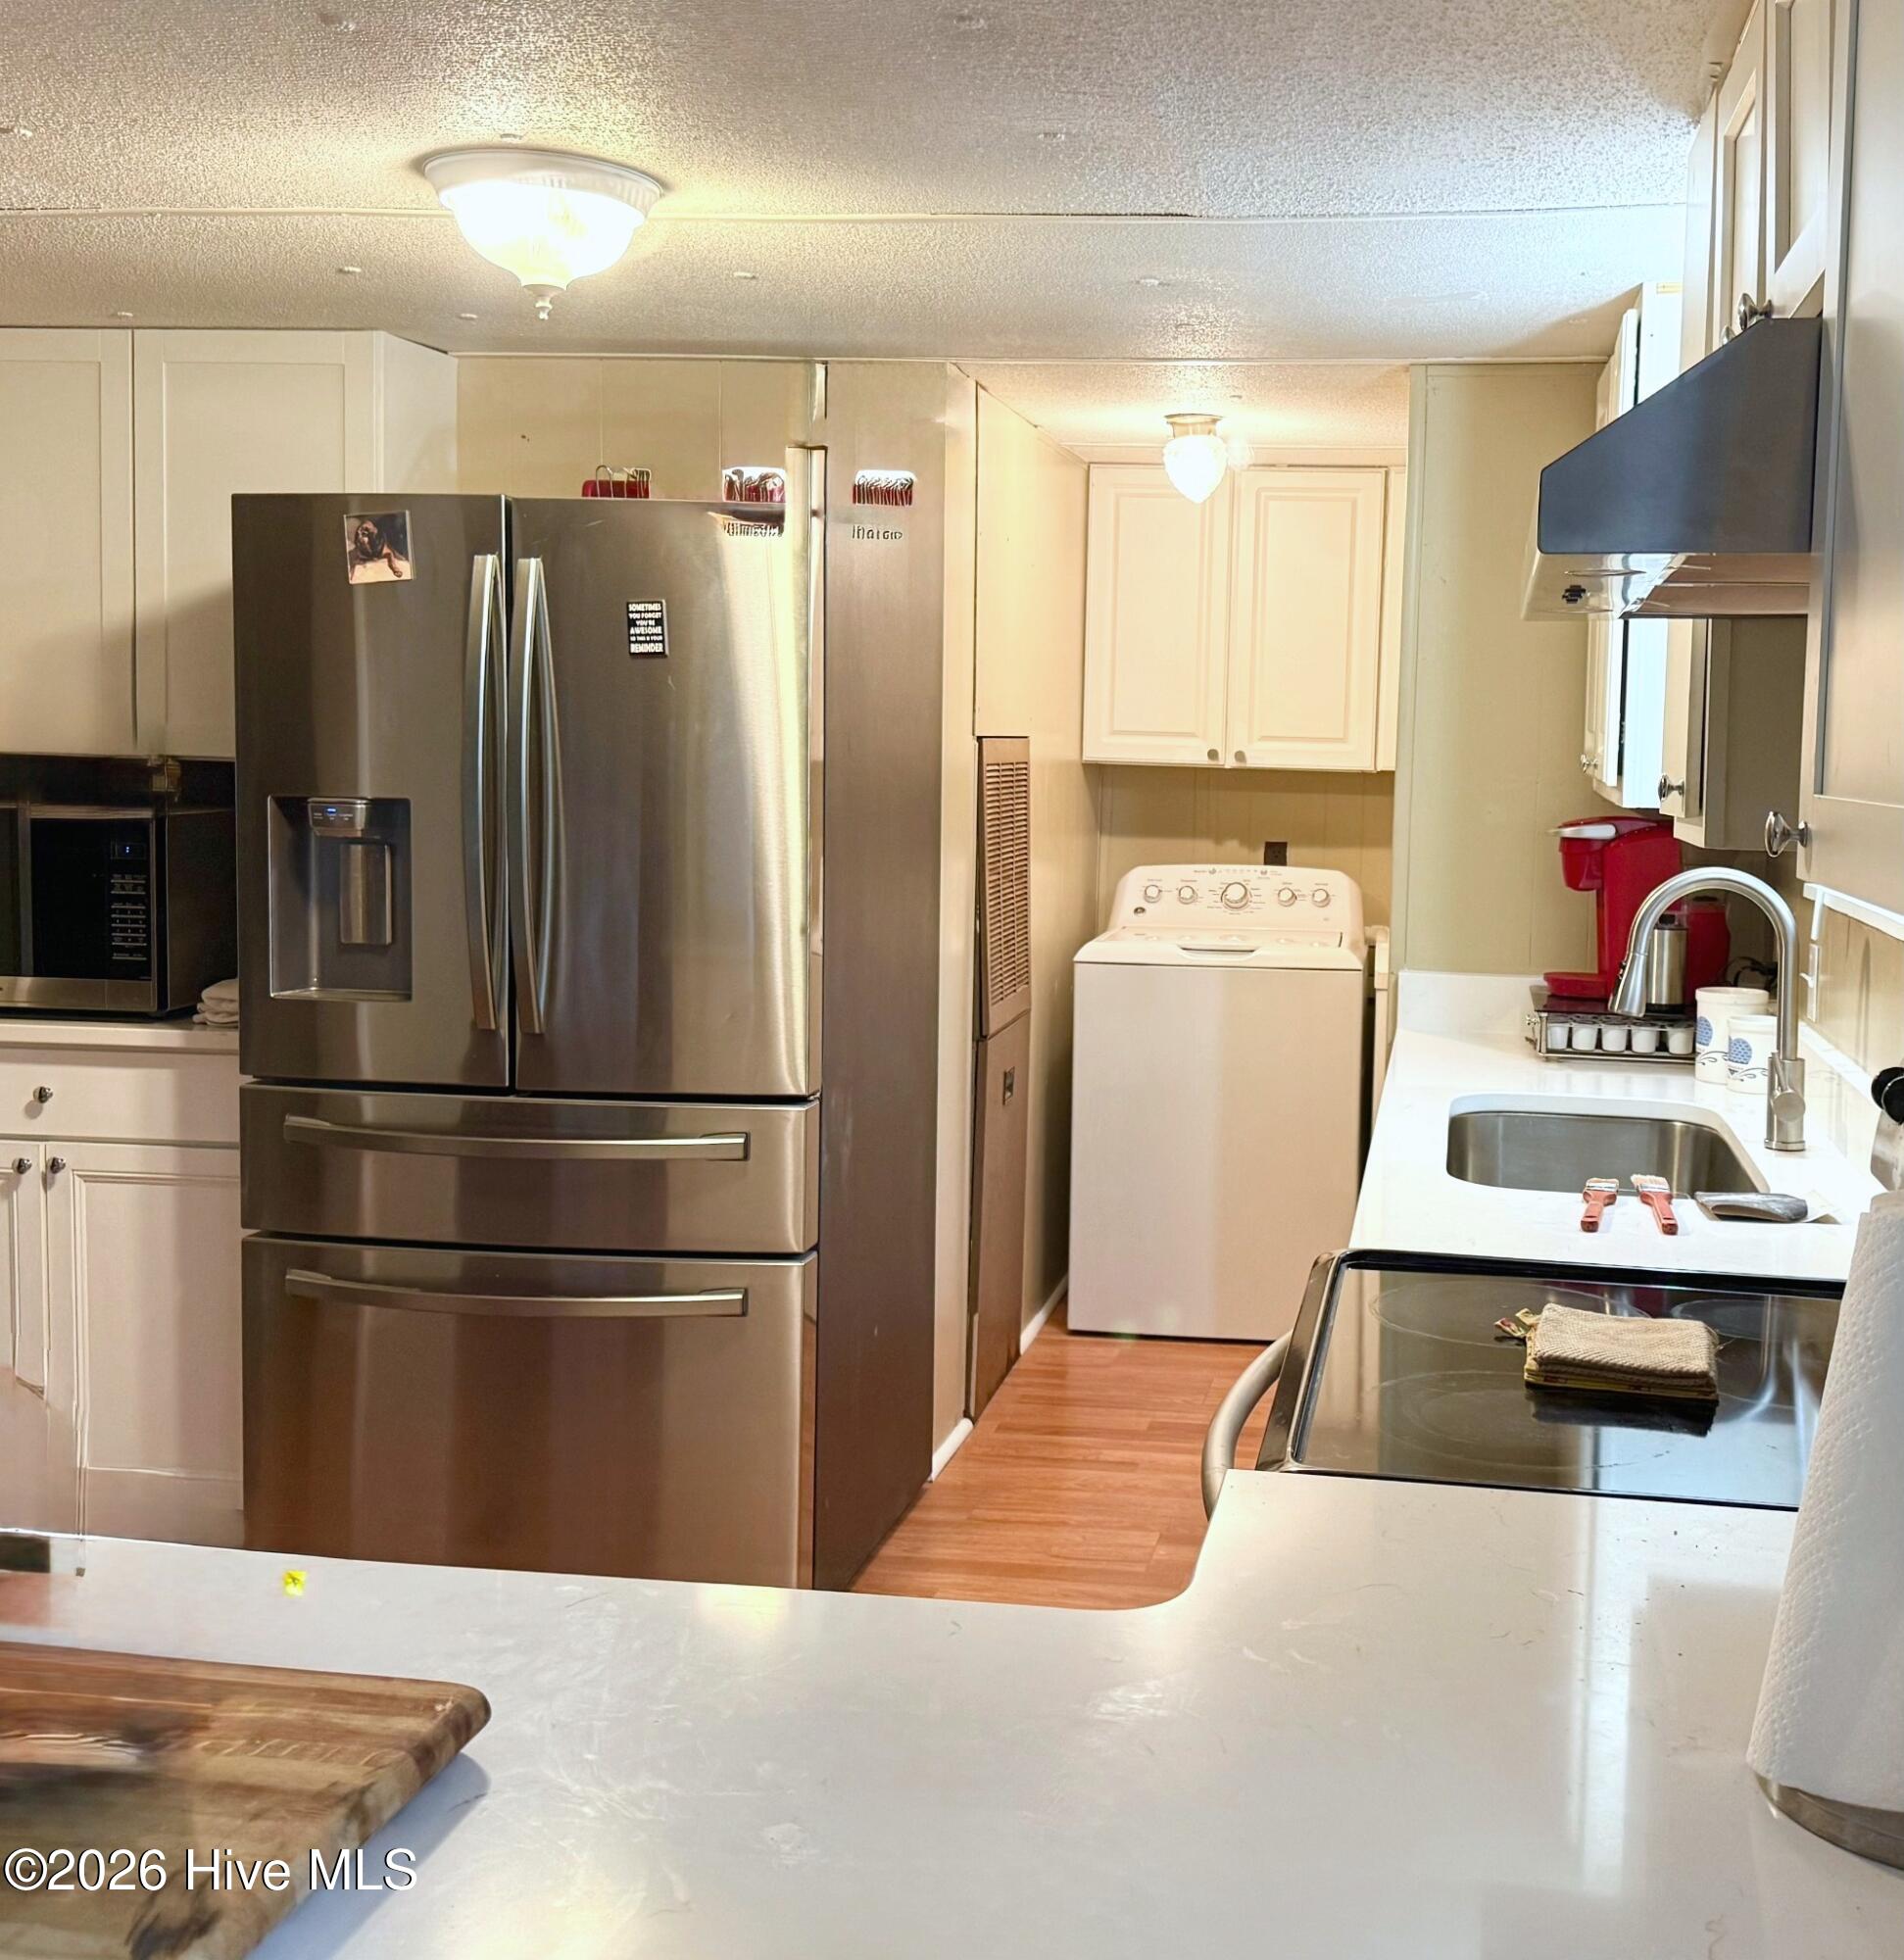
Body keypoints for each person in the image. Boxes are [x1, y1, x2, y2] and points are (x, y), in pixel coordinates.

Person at [345, 515, 411, 583]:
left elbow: (389, 553)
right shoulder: (357, 549)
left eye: (363, 534)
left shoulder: (381, 545)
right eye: (358, 534)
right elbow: (353, 559)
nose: (359, 537)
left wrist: (394, 568)